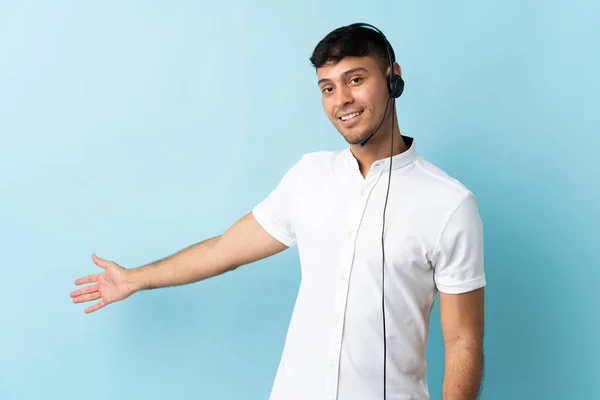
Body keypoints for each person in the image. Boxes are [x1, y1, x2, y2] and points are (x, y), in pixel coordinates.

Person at [70, 23, 485, 400]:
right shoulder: (309, 176)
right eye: (327, 88)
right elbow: (222, 250)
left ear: (393, 78)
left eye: (355, 80)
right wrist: (133, 279)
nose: (342, 100)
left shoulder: (449, 204)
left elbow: (463, 342)